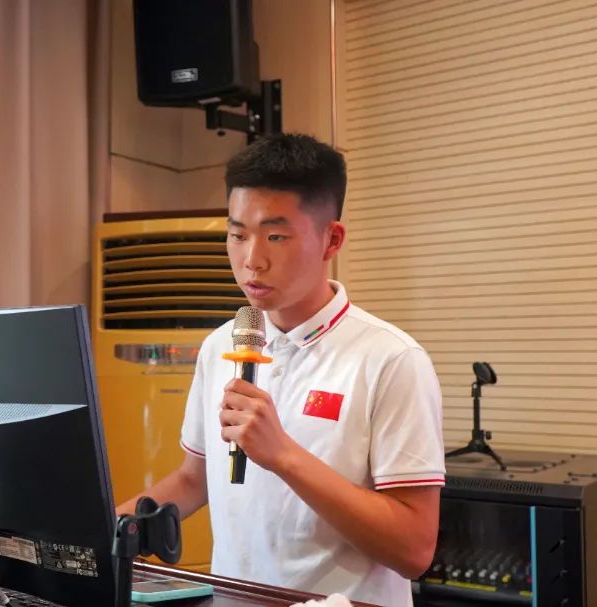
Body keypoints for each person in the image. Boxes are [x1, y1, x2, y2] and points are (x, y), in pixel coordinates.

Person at [118, 133, 445, 607]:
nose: (252, 260)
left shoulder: (391, 359)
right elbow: (195, 478)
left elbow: (414, 550)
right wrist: (102, 530)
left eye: (276, 236)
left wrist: (284, 456)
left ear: (331, 239)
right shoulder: (221, 345)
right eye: (237, 235)